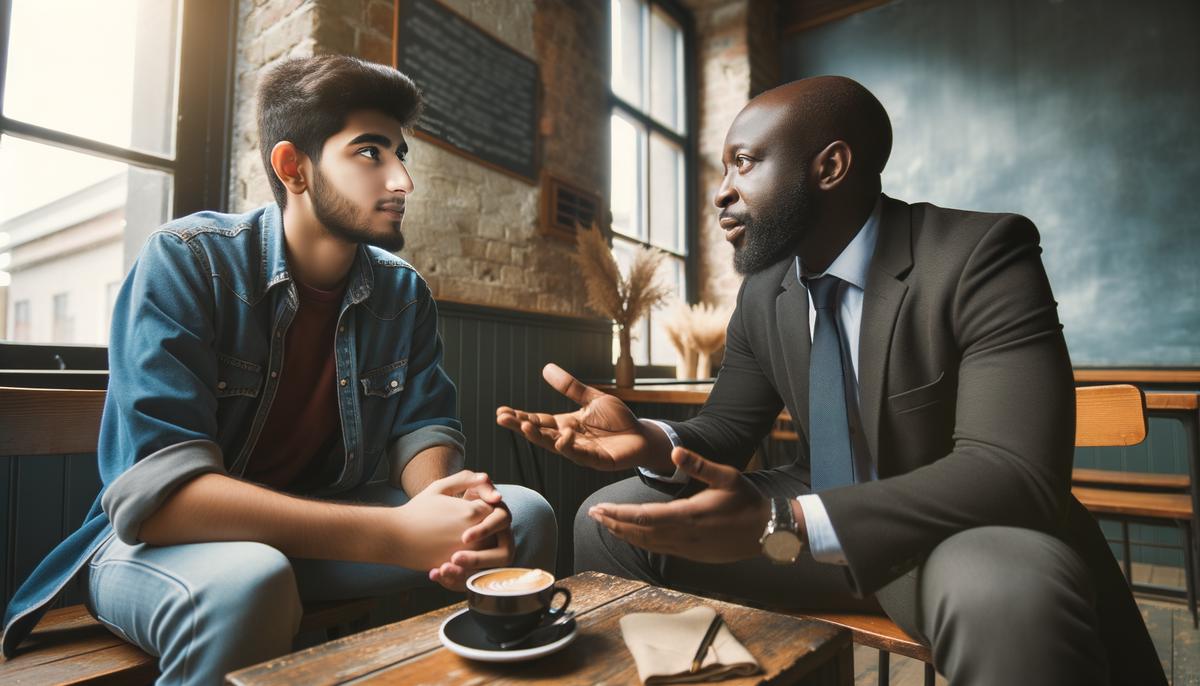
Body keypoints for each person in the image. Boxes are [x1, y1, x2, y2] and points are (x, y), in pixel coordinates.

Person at [498, 76, 1164, 685]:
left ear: (830, 167)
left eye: (745, 162)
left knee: (1003, 590)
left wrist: (786, 519)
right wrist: (648, 439)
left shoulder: (981, 256)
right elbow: (728, 430)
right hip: (800, 532)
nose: (721, 189)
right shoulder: (765, 294)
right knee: (611, 521)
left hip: (946, 535)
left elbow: (1012, 473)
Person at [2, 55, 557, 683]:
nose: (403, 179)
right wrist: (397, 534)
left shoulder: (403, 293)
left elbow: (423, 425)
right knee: (249, 582)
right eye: (370, 153)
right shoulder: (186, 262)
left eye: (401, 155)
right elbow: (160, 503)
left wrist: (441, 502)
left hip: (324, 529)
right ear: (294, 167)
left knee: (522, 514)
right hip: (163, 550)